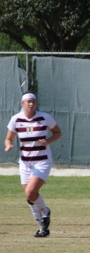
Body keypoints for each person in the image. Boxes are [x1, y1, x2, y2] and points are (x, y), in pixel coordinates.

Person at [4, 92, 62, 237]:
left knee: (31, 192)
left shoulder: (44, 117)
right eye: (28, 101)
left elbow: (57, 132)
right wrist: (8, 145)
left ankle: (45, 212)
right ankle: (43, 228)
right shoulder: (16, 119)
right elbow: (8, 138)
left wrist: (48, 141)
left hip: (42, 161)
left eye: (33, 102)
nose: (31, 104)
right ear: (22, 103)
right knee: (29, 197)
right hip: (25, 163)